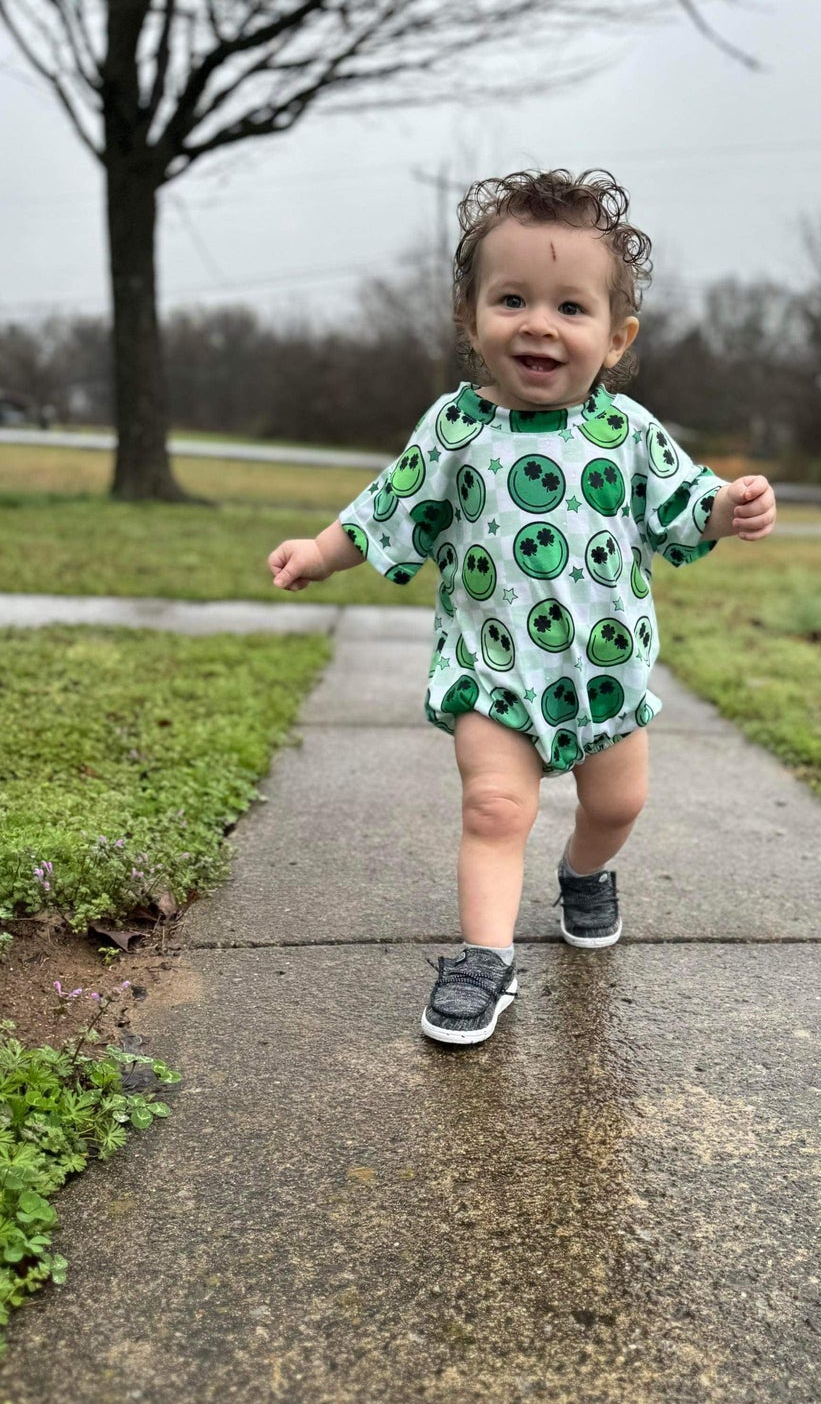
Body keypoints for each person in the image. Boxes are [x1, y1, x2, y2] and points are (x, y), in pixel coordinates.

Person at [266, 169, 777, 1045]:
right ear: (471, 319)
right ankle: (483, 960)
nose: (539, 323)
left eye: (570, 308)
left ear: (615, 338)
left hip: (604, 675)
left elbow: (684, 500)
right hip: (492, 668)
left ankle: (584, 874)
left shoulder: (628, 433)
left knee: (617, 806)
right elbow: (391, 506)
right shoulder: (454, 431)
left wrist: (729, 508)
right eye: (511, 299)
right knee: (496, 809)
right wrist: (320, 552)